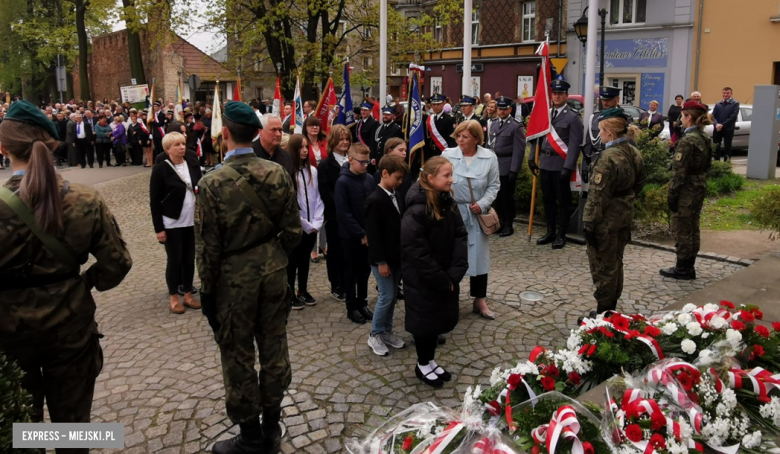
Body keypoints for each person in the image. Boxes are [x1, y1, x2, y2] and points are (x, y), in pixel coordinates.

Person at [0, 100, 132, 446]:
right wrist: (83, 283)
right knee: (73, 432)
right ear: (54, 144)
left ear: (3, 148)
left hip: (8, 333)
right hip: (70, 328)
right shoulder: (86, 199)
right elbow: (117, 263)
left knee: (18, 432)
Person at [196, 102, 301, 454]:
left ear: (224, 133)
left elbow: (207, 247)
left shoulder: (211, 182)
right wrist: (273, 259)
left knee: (238, 355)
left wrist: (208, 293)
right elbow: (293, 231)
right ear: (257, 133)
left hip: (232, 280)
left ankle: (252, 438)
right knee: (274, 348)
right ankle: (271, 428)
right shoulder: (277, 173)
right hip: (273, 274)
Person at [401, 156, 468, 387]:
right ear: (431, 178)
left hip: (445, 274)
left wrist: (454, 272)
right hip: (424, 279)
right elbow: (416, 250)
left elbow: (460, 234)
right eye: (446, 175)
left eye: (451, 174)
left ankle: (430, 361)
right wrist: (441, 277)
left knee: (435, 320)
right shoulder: (417, 208)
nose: (452, 179)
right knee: (424, 322)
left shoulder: (446, 200)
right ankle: (422, 364)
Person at [580, 107, 646, 322]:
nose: (599, 134)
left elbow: (597, 196)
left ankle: (603, 312)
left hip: (606, 221)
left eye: (600, 129)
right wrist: (624, 200)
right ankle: (611, 307)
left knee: (603, 265)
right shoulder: (633, 151)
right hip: (624, 216)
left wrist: (588, 224)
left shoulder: (608, 157)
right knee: (616, 263)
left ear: (608, 131)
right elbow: (639, 184)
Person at [442, 120, 500, 320]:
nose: (460, 140)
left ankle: (479, 299)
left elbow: (494, 186)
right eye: (458, 135)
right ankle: (450, 299)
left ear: (476, 138)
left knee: (479, 258)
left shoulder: (489, 157)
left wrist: (483, 204)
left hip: (475, 214)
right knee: (452, 256)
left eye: (465, 136)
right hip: (453, 211)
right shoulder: (448, 155)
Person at [149, 131, 203, 313]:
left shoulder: (192, 163)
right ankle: (173, 296)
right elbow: (154, 200)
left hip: (191, 221)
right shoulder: (161, 169)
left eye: (182, 143)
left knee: (189, 259)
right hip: (171, 221)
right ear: (167, 149)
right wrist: (159, 229)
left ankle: (188, 294)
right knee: (175, 259)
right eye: (177, 145)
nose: (181, 147)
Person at [529, 78, 583, 249]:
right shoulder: (545, 114)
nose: (557, 96)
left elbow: (575, 144)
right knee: (548, 200)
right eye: (555, 93)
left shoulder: (573, 117)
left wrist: (568, 166)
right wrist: (532, 157)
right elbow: (536, 137)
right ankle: (550, 231)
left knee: (563, 201)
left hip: (560, 164)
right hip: (545, 162)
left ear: (566, 95)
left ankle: (561, 234)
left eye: (560, 93)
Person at [660, 101, 712, 280]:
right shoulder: (703, 136)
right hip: (698, 185)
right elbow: (708, 164)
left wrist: (672, 194)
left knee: (682, 227)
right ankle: (689, 264)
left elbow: (679, 172)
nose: (680, 119)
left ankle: (683, 268)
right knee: (693, 226)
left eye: (682, 116)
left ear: (688, 117)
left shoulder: (688, 140)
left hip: (687, 189)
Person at [365, 155, 409, 356]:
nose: (400, 182)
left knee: (392, 298)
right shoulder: (374, 200)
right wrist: (381, 262)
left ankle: (387, 331)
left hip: (396, 256)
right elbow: (374, 236)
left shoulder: (397, 195)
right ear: (384, 174)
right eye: (397, 178)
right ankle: (375, 334)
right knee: (386, 296)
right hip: (381, 259)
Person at [335, 143, 375, 324]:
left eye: (367, 162)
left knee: (364, 271)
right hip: (351, 237)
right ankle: (351, 306)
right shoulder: (342, 182)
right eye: (362, 162)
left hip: (368, 234)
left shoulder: (369, 179)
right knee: (350, 272)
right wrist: (360, 233)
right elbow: (343, 213)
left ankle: (363, 302)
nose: (365, 165)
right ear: (351, 160)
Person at [286, 134, 324, 309]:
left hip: (312, 226)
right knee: (292, 260)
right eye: (300, 147)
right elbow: (291, 203)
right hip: (297, 226)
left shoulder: (312, 172)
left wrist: (316, 223)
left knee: (304, 260)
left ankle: (303, 289)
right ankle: (290, 293)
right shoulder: (288, 173)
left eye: (306, 147)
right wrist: (304, 224)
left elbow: (317, 198)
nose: (304, 150)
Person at [318, 125, 351, 301]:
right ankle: (336, 284)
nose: (345, 142)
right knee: (336, 251)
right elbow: (326, 192)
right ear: (333, 141)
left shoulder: (353, 162)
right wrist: (343, 205)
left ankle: (348, 282)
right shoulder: (326, 164)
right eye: (341, 139)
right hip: (335, 216)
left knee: (350, 252)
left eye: (347, 139)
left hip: (353, 216)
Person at [488, 96, 526, 237]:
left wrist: (514, 170)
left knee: (507, 197)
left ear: (510, 109)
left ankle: (509, 225)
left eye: (504, 109)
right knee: (496, 197)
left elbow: (519, 150)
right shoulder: (493, 123)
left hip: (507, 165)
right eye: (500, 109)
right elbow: (489, 145)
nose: (501, 112)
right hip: (494, 166)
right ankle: (500, 222)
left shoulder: (516, 126)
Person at [582, 87, 622, 184]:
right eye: (603, 99)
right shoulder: (595, 117)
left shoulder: (623, 118)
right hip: (596, 162)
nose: (605, 103)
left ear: (617, 99)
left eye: (608, 100)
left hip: (615, 163)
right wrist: (584, 167)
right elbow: (588, 144)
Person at [253, 113, 296, 182]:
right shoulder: (250, 154)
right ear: (260, 131)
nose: (278, 134)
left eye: (280, 130)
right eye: (273, 130)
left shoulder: (286, 157)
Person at [425, 93, 457, 162]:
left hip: (444, 152)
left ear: (443, 104)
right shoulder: (430, 119)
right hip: (431, 152)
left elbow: (452, 139)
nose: (436, 107)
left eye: (438, 104)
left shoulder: (449, 119)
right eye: (434, 104)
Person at [711, 87, 739, 162]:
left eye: (727, 93)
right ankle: (716, 163)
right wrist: (716, 124)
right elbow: (713, 116)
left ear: (731, 94)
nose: (725, 95)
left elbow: (733, 117)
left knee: (727, 146)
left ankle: (726, 164)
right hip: (717, 128)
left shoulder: (735, 103)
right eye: (724, 93)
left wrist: (722, 125)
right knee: (716, 146)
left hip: (728, 128)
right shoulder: (718, 104)